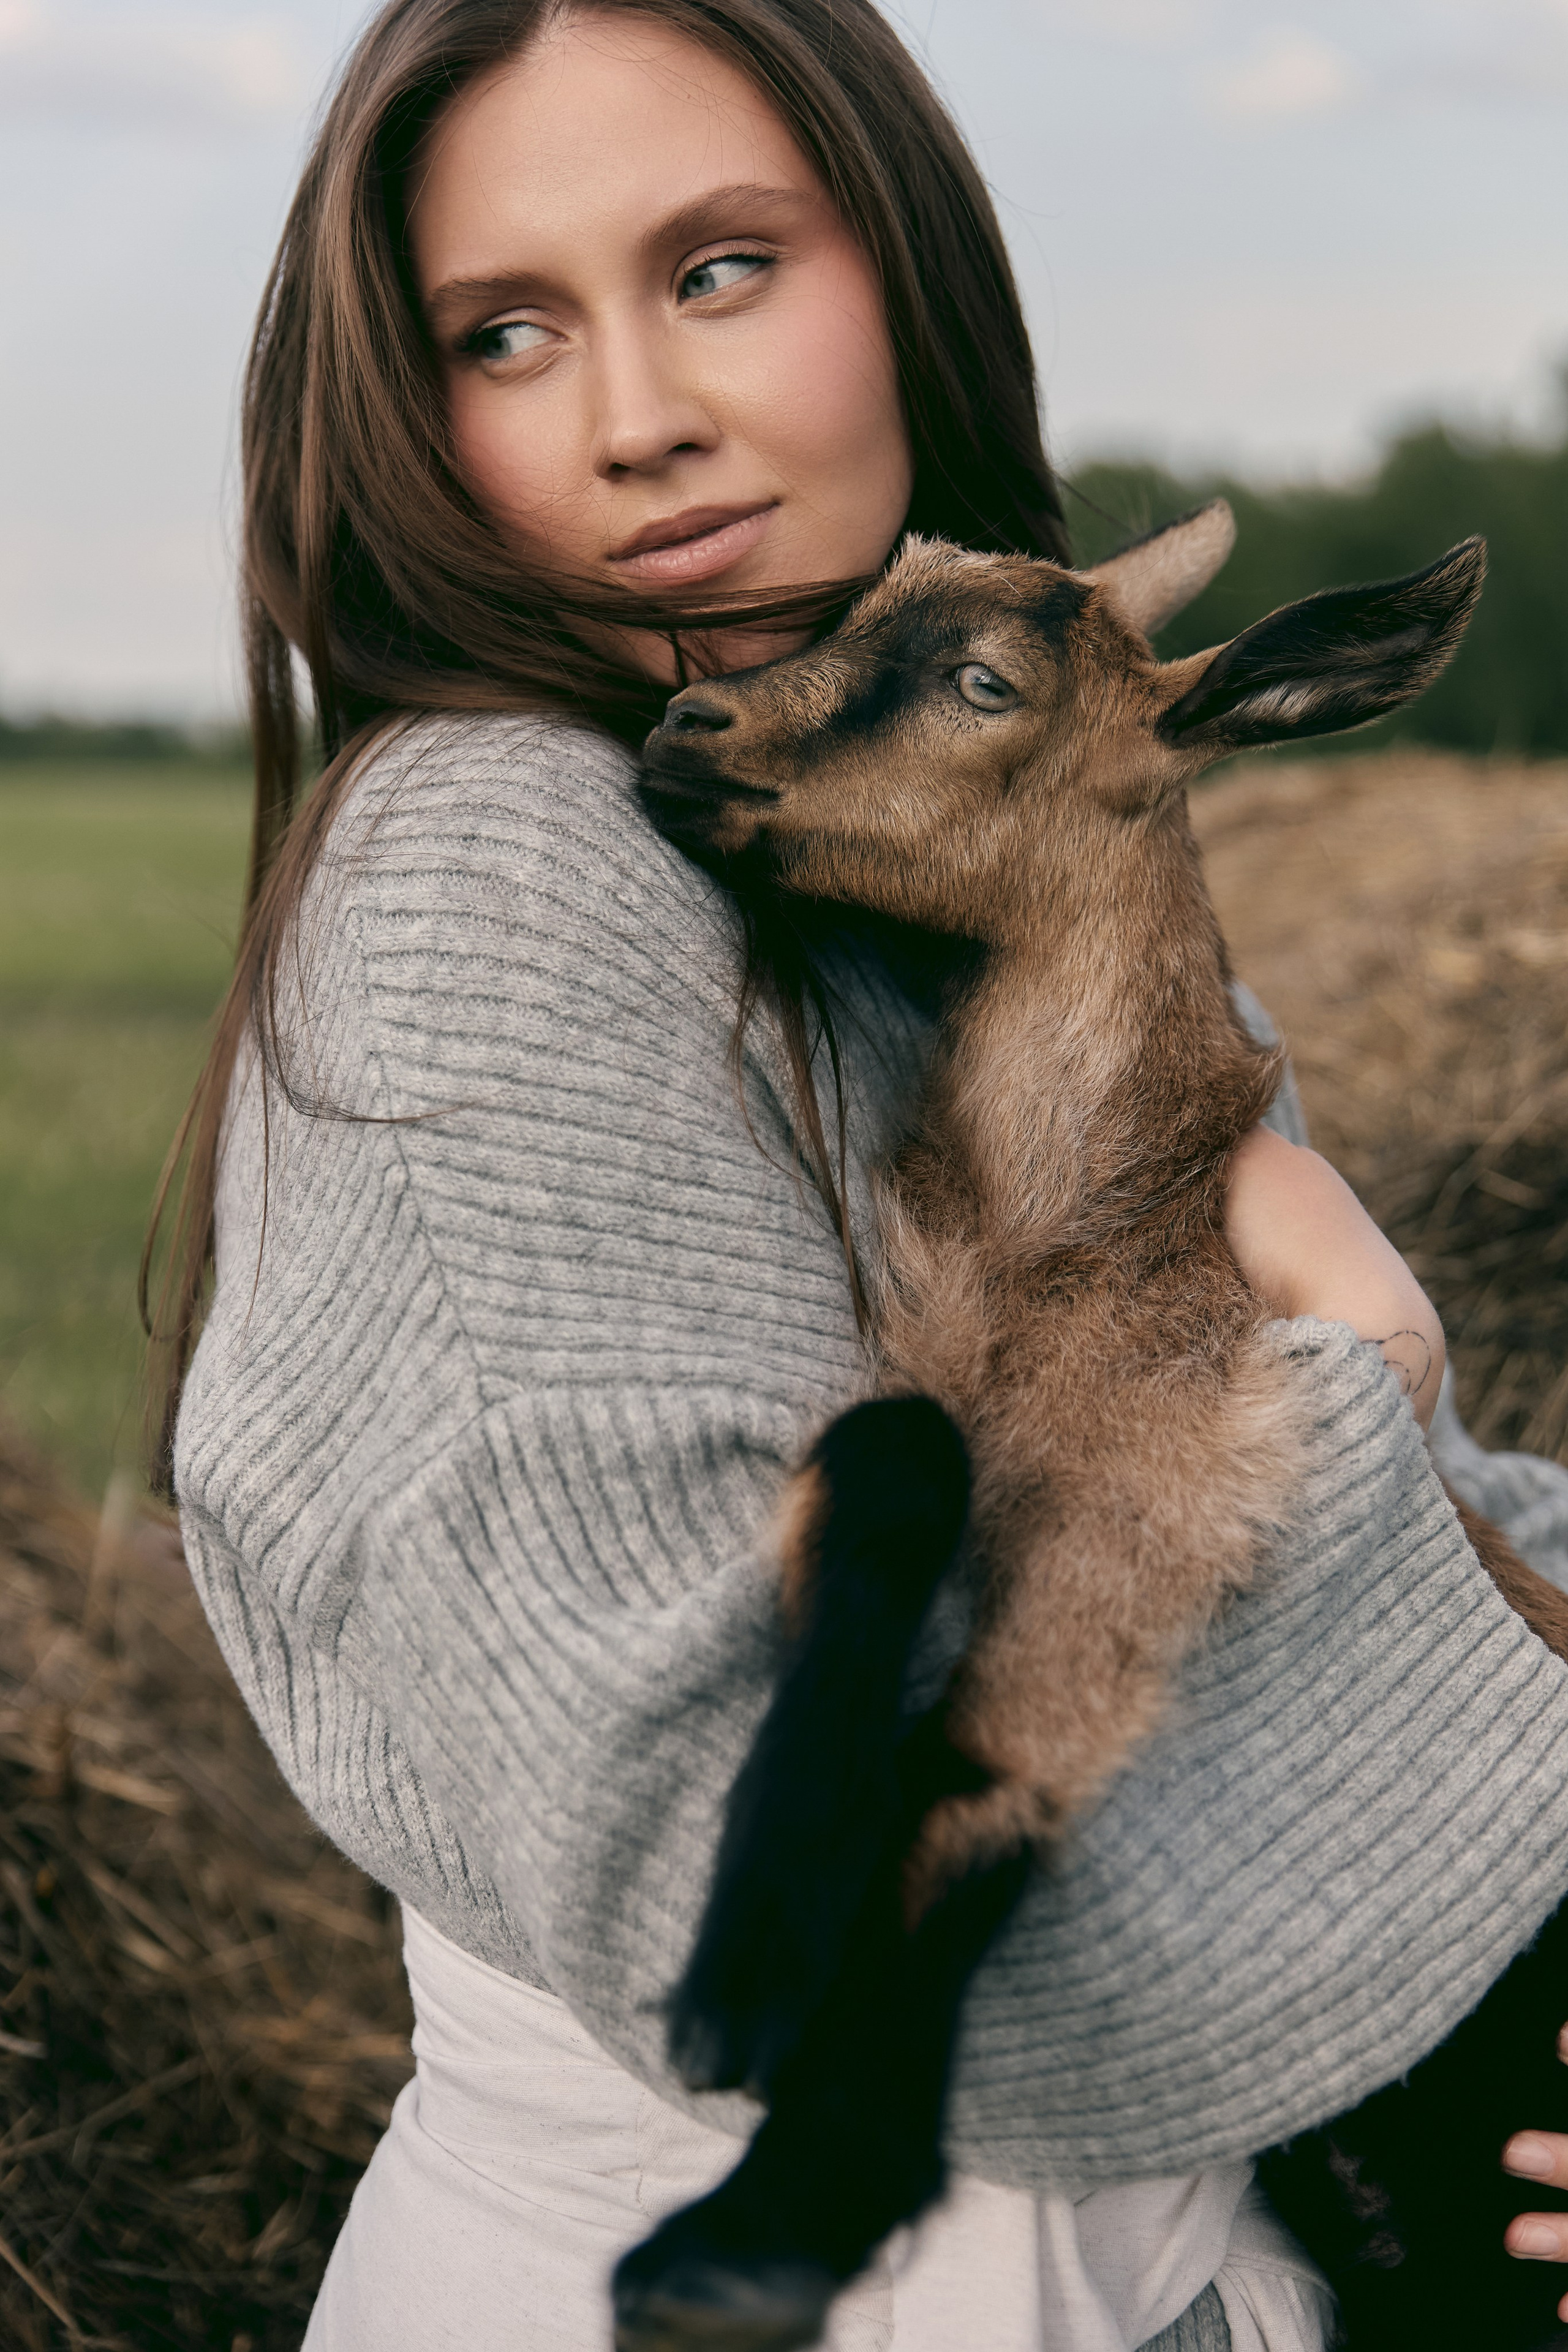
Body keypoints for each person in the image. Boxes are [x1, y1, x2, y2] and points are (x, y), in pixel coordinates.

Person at [151, 3, 1568, 2345]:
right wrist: (1363, 1403)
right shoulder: (498, 866)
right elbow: (747, 1871)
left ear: (904, 270)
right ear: (401, 417)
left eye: (722, 270)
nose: (641, 420)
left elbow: (1425, 1524)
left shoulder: (973, 884)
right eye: (503, 334)